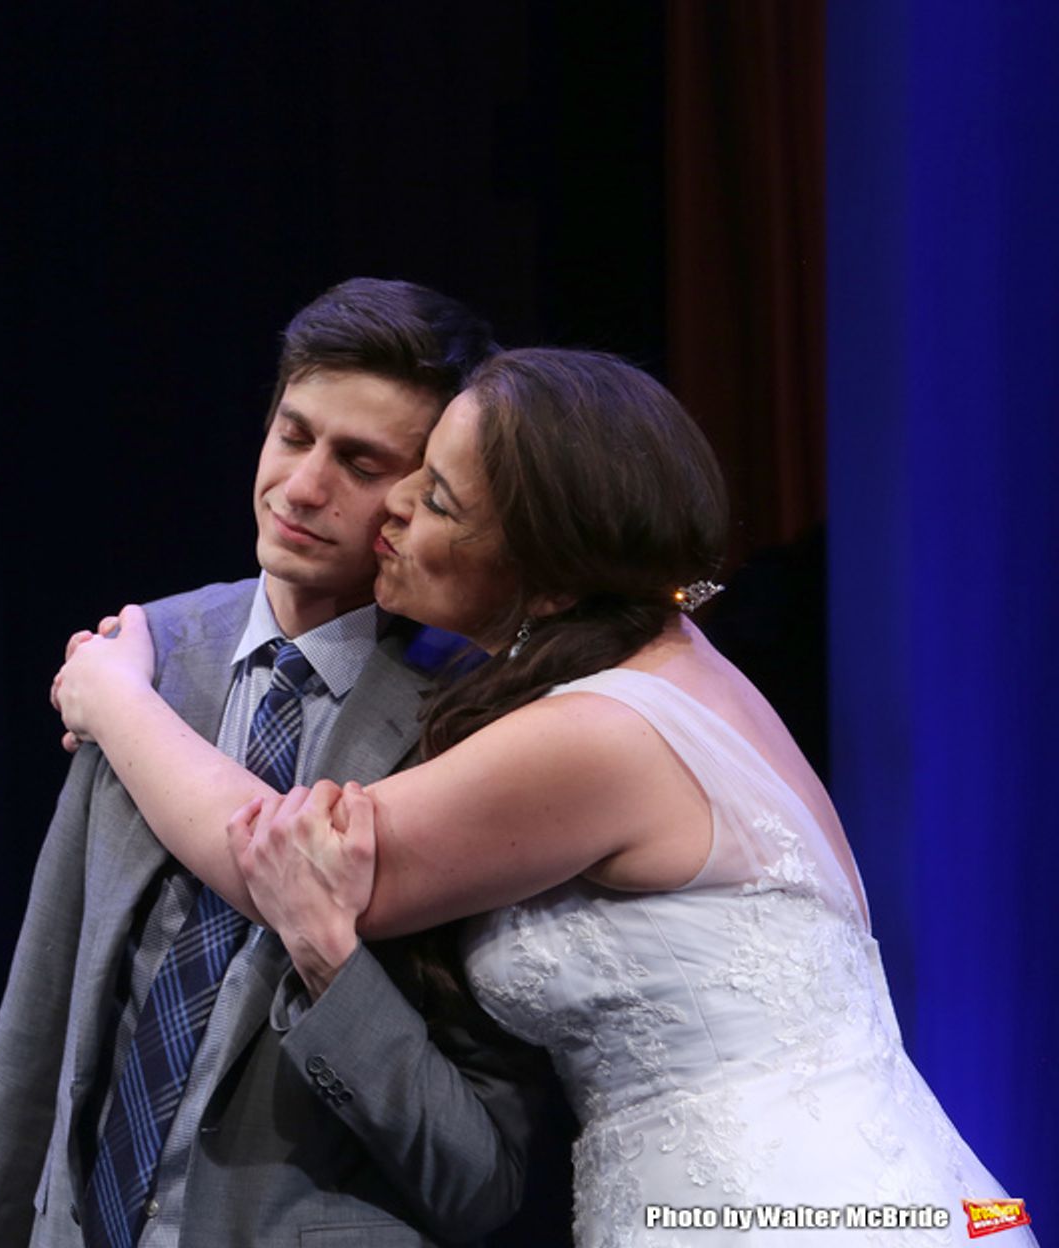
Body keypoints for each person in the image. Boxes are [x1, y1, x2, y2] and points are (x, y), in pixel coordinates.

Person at [52, 347, 1037, 1246]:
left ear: (550, 577)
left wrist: (114, 697)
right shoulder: (668, 674)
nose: (394, 509)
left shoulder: (602, 735)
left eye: (438, 499)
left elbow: (285, 854)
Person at [0, 279, 564, 1248]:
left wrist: (331, 967)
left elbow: (479, 1179)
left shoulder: (469, 729)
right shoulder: (149, 655)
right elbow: (37, 1028)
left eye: (358, 462)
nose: (303, 487)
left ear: (427, 495)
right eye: (294, 435)